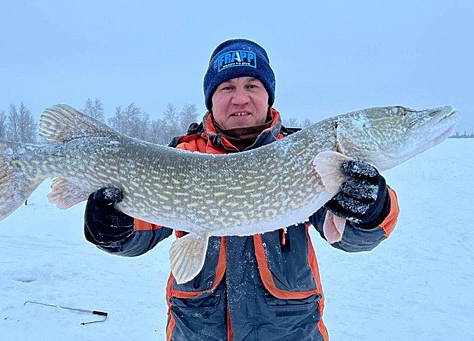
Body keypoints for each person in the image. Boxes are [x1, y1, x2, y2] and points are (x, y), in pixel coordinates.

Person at [84, 39, 400, 341]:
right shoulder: (182, 155)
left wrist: (373, 211)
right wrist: (110, 228)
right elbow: (138, 235)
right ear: (211, 98)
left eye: (252, 86)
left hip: (292, 333)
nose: (240, 98)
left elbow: (352, 238)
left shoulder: (308, 157)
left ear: (268, 95)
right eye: (227, 87)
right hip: (197, 332)